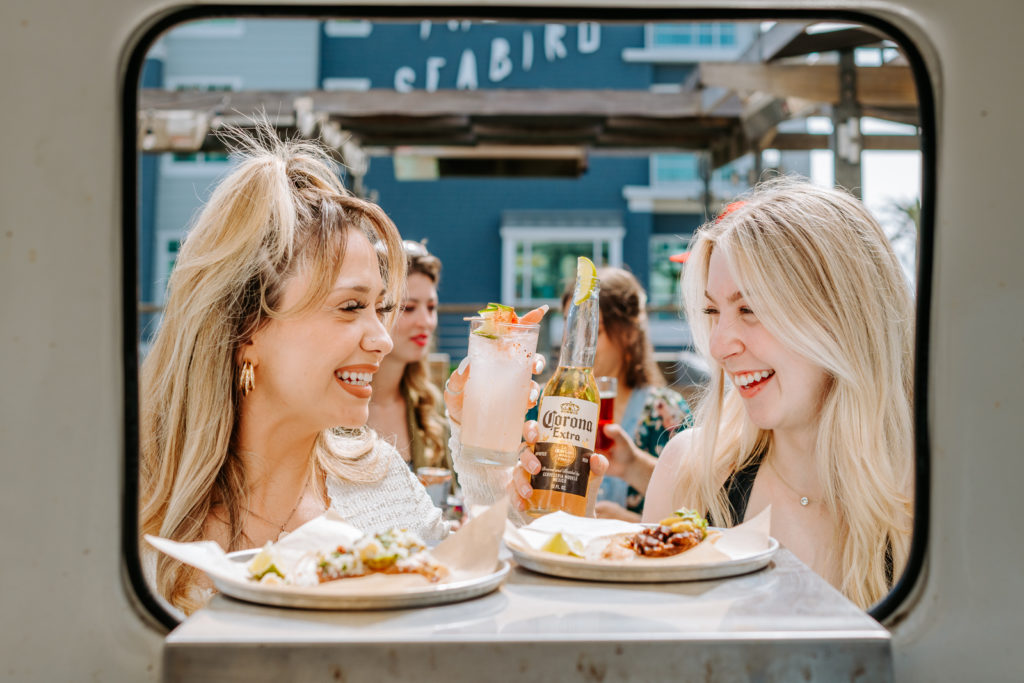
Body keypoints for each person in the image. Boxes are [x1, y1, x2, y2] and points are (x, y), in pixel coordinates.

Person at [515, 178, 914, 609]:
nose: (720, 346)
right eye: (712, 312)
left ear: (844, 317)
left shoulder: (935, 496)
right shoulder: (688, 474)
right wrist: (569, 535)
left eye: (750, 309)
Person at [139, 129, 449, 614]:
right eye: (350, 307)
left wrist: (491, 470)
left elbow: (461, 609)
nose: (382, 339)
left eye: (381, 308)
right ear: (247, 331)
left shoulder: (382, 484)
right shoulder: (131, 506)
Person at [569, 267, 691, 522]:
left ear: (628, 332)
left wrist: (630, 526)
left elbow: (698, 512)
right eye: (572, 328)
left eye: (595, 330)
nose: (579, 342)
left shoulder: (666, 413)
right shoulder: (555, 407)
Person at [367, 240, 451, 474]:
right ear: (374, 310)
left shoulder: (427, 404)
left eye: (432, 307)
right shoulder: (338, 407)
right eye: (409, 307)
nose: (426, 321)